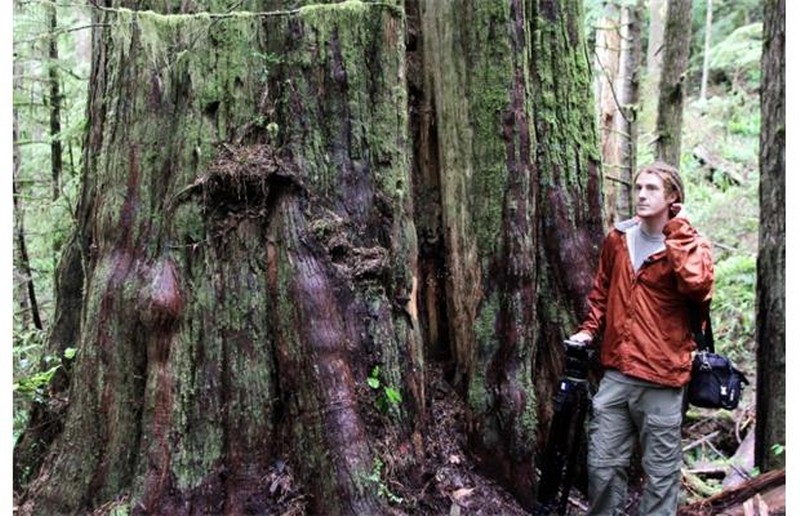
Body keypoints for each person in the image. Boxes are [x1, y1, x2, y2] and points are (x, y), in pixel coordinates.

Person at [569, 161, 714, 515]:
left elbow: (698, 285)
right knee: (602, 468)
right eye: (638, 187)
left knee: (661, 477)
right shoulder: (618, 239)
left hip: (663, 379)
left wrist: (677, 231)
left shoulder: (691, 245)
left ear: (673, 197)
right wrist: (589, 329)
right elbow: (602, 290)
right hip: (616, 374)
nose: (641, 195)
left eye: (651, 188)